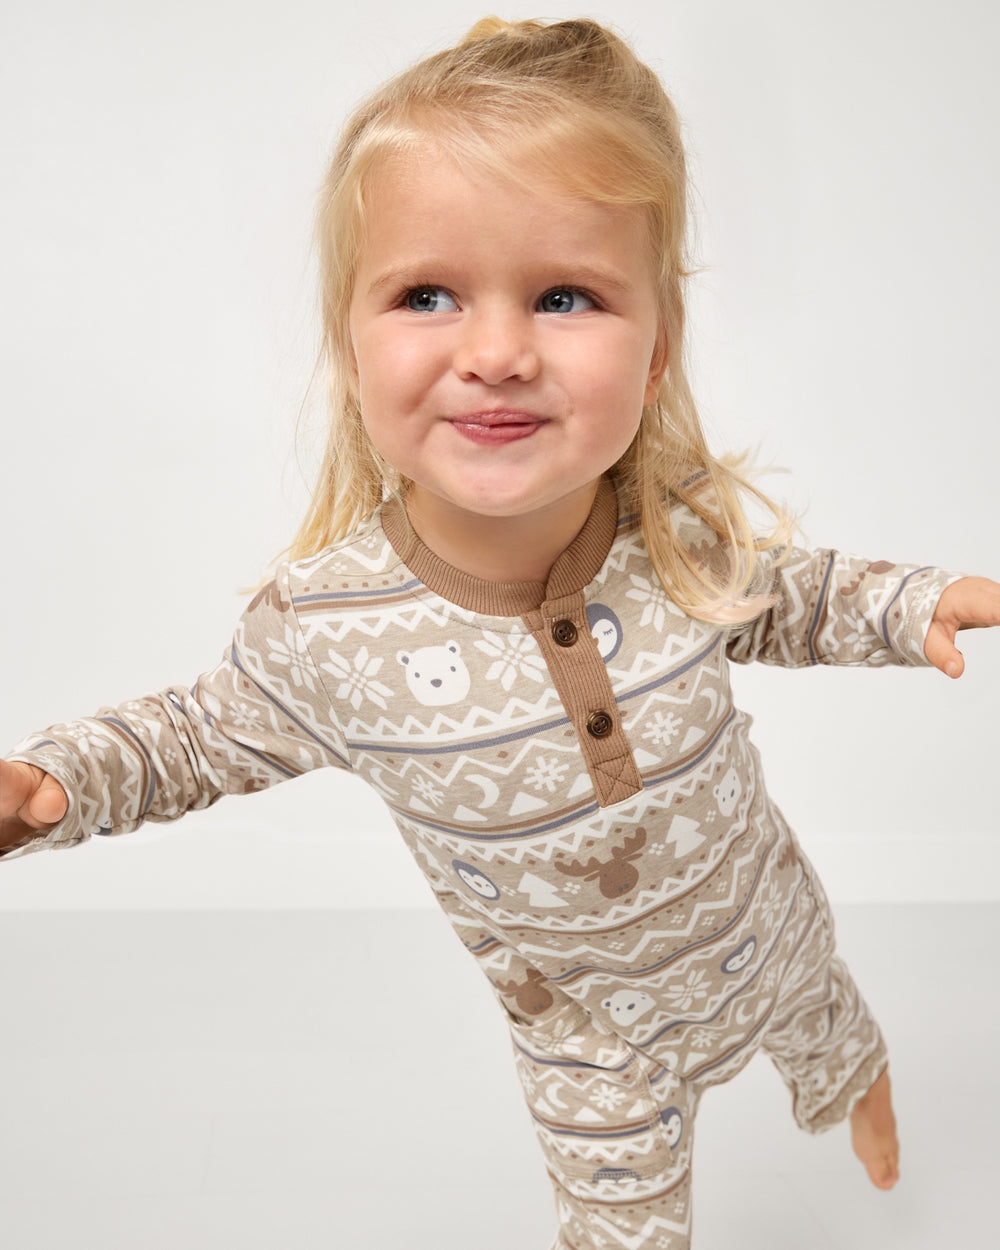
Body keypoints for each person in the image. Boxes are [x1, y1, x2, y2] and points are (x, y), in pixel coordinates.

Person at [1, 16, 998, 1249]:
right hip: (588, 1033)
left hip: (770, 921)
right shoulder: (328, 630)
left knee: (831, 1032)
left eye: (564, 295)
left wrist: (916, 604)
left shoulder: (664, 537)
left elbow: (790, 593)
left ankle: (862, 1094)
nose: (496, 352)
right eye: (426, 294)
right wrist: (49, 781)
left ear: (652, 356)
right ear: (351, 350)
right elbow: (191, 735)